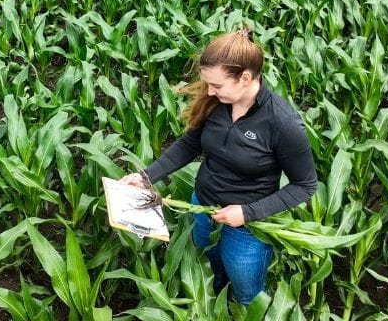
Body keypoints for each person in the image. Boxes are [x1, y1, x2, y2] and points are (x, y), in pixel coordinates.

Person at [120, 27, 317, 305]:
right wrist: (146, 177)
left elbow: (305, 185)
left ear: (246, 78)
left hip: (246, 226)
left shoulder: (282, 123)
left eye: (217, 85)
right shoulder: (218, 103)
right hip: (202, 208)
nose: (210, 91)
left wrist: (247, 213)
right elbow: (190, 144)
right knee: (211, 275)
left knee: (247, 294)